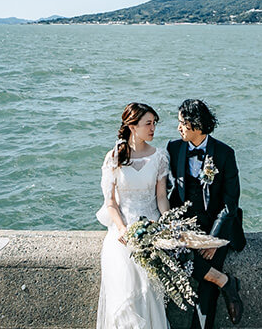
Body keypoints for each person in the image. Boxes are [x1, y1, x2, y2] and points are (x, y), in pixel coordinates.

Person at [167, 99, 246, 328]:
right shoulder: (173, 148)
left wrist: (212, 240)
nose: (178, 127)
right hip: (185, 224)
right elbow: (171, 192)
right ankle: (227, 282)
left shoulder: (224, 153)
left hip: (217, 225)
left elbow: (230, 203)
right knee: (176, 258)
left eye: (182, 122)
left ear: (195, 124)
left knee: (206, 287)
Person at [96, 102, 171, 329]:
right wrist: (122, 229)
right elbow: (110, 203)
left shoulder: (159, 156)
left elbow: (161, 198)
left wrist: (166, 224)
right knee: (125, 294)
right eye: (148, 123)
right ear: (132, 126)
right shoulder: (114, 157)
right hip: (122, 231)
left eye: (154, 124)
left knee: (148, 292)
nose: (153, 129)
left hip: (151, 230)